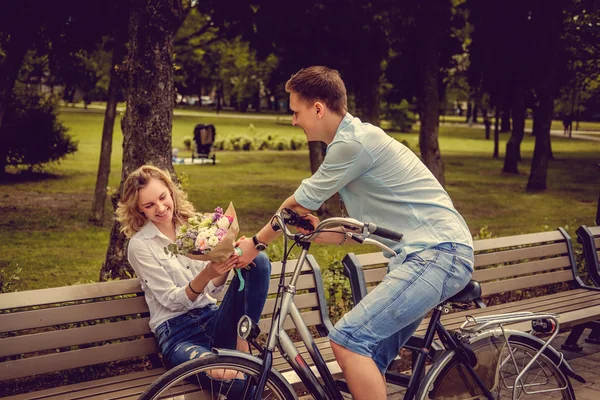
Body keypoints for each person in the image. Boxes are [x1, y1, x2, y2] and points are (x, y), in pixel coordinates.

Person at [235, 66, 474, 400]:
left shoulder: (353, 145)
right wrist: (315, 234)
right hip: (421, 256)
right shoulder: (353, 143)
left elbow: (294, 205)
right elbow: (351, 232)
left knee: (348, 339)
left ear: (318, 108)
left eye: (295, 112)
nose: (293, 120)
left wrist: (256, 244)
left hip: (438, 253)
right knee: (369, 357)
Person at [116, 165, 271, 377]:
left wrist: (226, 261)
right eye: (149, 205)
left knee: (258, 260)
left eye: (163, 197)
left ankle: (242, 347)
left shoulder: (194, 228)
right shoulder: (140, 245)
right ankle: (242, 368)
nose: (160, 208)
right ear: (139, 209)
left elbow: (213, 291)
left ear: (171, 192)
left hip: (215, 320)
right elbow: (171, 301)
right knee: (227, 376)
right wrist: (207, 273)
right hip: (178, 335)